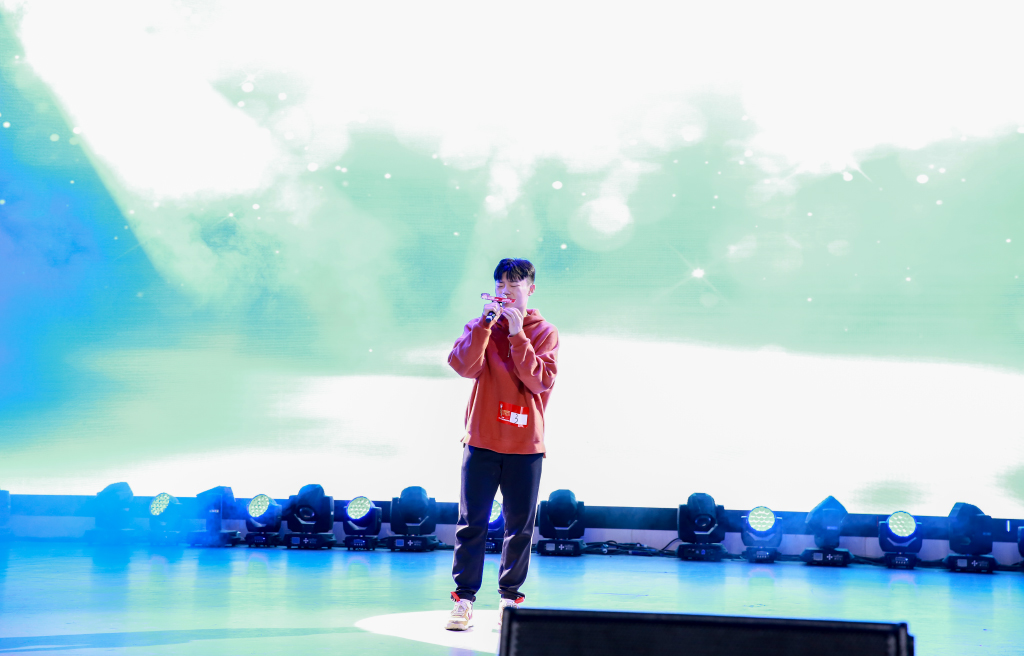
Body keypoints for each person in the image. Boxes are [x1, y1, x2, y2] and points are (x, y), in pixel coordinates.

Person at [444, 257, 559, 631]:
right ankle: (463, 601)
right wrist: (484, 326)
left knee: (519, 528)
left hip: (525, 445)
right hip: (481, 439)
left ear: (530, 289)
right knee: (471, 524)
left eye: (513, 285)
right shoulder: (481, 326)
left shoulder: (544, 332)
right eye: (499, 285)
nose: (505, 292)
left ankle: (509, 599)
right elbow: (463, 366)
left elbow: (539, 380)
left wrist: (517, 334)